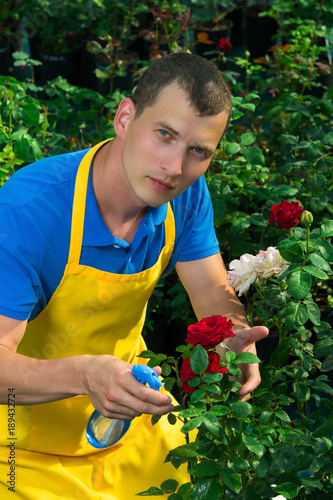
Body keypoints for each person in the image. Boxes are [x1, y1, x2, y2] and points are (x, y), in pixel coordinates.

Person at [0, 52, 268, 499]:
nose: (175, 167)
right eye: (164, 135)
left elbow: (211, 291)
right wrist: (86, 375)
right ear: (125, 117)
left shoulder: (185, 194)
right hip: (19, 448)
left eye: (198, 151)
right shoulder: (29, 213)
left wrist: (233, 335)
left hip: (125, 427)